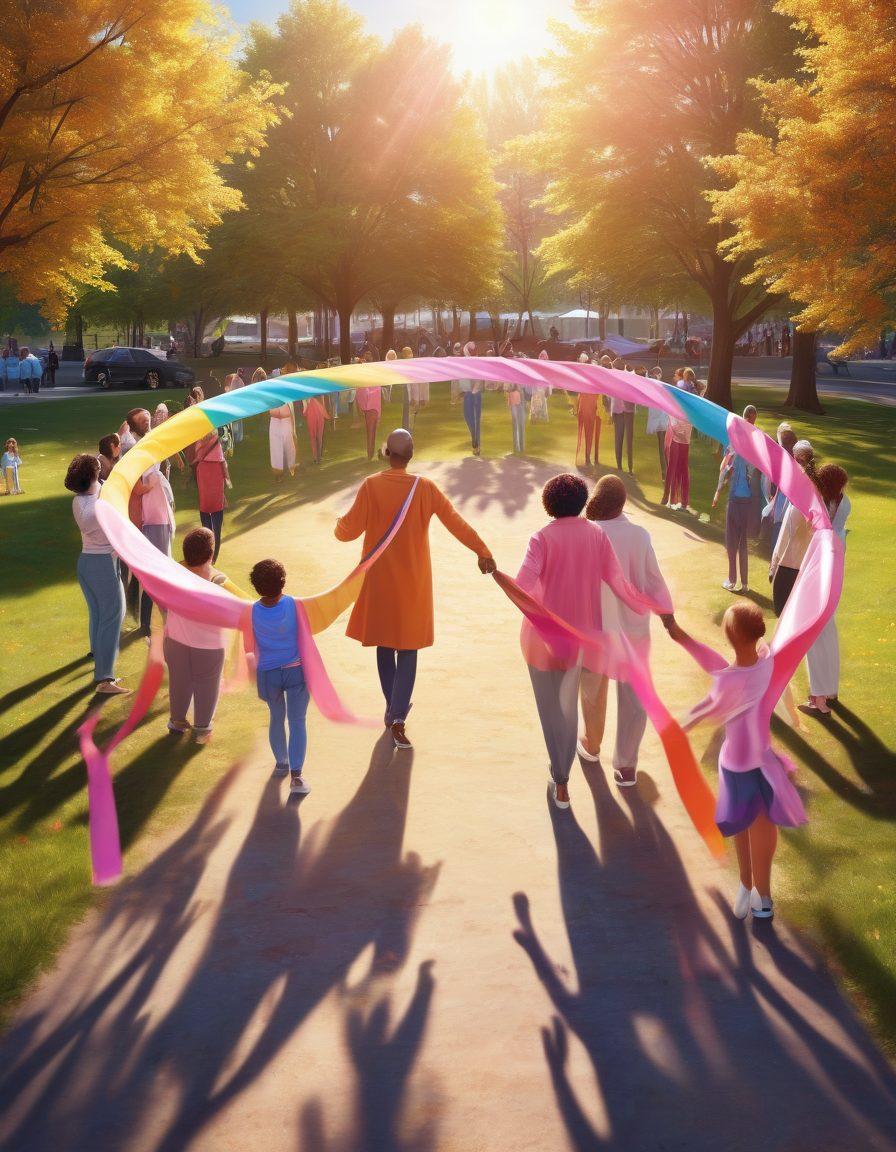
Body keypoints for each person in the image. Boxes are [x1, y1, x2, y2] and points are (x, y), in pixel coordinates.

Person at [515, 474, 671, 809]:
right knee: (606, 702)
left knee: (571, 703)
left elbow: (522, 588)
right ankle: (610, 763)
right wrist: (659, 609)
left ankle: (574, 767)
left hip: (569, 637)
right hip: (608, 637)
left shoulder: (547, 537)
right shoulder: (609, 535)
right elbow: (628, 584)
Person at [335, 429, 495, 749]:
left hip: (379, 581)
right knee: (407, 648)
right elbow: (456, 522)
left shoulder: (371, 486)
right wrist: (482, 551)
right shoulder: (425, 488)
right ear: (411, 455)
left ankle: (392, 711)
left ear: (386, 453)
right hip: (413, 583)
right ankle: (397, 717)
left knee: (384, 643)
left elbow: (346, 532)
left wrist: (338, 523)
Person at [668, 602, 807, 921]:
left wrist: (684, 721)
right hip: (761, 762)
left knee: (747, 828)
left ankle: (753, 888)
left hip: (737, 766)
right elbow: (716, 664)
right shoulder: (766, 662)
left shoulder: (728, 681)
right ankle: (757, 892)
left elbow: (710, 701)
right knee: (758, 827)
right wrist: (682, 637)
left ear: (730, 635)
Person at [579, 475, 671, 786]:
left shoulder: (588, 533)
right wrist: (667, 616)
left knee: (592, 690)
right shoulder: (640, 535)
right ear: (622, 503)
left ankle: (591, 745)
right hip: (634, 629)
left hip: (597, 628)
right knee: (634, 696)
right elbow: (654, 579)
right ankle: (626, 765)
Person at [65, 453, 129, 695]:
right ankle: (105, 678)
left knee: (100, 616)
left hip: (87, 564)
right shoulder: (98, 505)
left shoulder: (81, 500)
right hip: (102, 564)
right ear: (94, 475)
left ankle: (101, 665)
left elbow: (101, 490)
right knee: (112, 618)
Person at [248, 558, 310, 795]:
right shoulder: (294, 604)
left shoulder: (252, 609)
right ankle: (297, 777)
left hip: (268, 674)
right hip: (296, 672)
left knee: (276, 717)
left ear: (257, 587)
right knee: (297, 722)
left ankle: (281, 762)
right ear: (283, 583)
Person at [164, 527, 231, 744]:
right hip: (208, 645)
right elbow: (228, 612)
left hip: (175, 640)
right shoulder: (218, 580)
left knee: (179, 681)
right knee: (207, 683)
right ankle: (202, 729)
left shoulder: (172, 573)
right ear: (211, 554)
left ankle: (176, 722)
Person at [804, 464, 850, 713]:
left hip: (822, 574)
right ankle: (828, 690)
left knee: (816, 636)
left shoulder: (822, 509)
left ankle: (818, 698)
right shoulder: (843, 505)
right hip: (833, 575)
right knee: (827, 633)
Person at [769, 440, 819, 616]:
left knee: (783, 617)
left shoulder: (803, 501)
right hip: (801, 569)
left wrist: (774, 564)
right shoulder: (814, 497)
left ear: (797, 459)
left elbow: (785, 536)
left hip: (789, 568)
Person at [717, 405, 758, 592]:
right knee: (742, 543)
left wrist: (718, 491)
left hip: (735, 500)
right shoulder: (755, 447)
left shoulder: (732, 447)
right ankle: (745, 583)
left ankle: (732, 580)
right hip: (748, 501)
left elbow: (724, 471)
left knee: (731, 542)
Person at [138, 462, 175, 634]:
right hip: (157, 522)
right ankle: (160, 617)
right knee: (159, 573)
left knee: (155, 574)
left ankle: (148, 621)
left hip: (157, 522)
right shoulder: (151, 475)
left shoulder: (153, 475)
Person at [194, 429, 229, 561]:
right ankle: (213, 554)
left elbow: (196, 455)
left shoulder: (198, 435)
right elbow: (222, 460)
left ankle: (208, 551)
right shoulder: (216, 433)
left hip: (204, 470)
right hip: (215, 470)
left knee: (205, 508)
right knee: (216, 512)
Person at [762, 422, 797, 552]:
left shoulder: (783, 460)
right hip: (788, 508)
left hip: (784, 507)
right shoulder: (793, 461)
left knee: (778, 539)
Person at [267, 364, 297, 480]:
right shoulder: (271, 393)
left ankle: (291, 467)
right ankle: (278, 473)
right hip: (275, 420)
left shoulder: (287, 391)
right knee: (275, 446)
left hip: (285, 419)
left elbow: (291, 409)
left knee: (289, 444)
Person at [661, 396, 692, 510]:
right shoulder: (674, 408)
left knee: (683, 468)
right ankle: (667, 497)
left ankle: (683, 501)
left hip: (685, 438)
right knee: (672, 467)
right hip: (675, 437)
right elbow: (673, 423)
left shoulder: (690, 410)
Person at [458, 342, 484, 455]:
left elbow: (479, 377)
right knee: (468, 417)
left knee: (476, 419)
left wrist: (474, 389)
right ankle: (474, 438)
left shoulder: (476, 361)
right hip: (468, 393)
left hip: (475, 393)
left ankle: (476, 445)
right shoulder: (464, 362)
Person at [575, 352, 600, 468]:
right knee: (588, 434)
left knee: (587, 434)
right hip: (587, 410)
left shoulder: (584, 380)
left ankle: (587, 456)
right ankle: (587, 457)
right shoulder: (593, 382)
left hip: (587, 409)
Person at [645, 366, 669, 478]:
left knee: (664, 446)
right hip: (659, 420)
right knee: (663, 445)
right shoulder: (655, 386)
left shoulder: (660, 386)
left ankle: (666, 470)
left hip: (662, 419)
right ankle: (665, 470)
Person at [355, 381, 382, 461]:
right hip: (371, 407)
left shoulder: (367, 379)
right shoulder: (370, 380)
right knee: (371, 433)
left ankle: (370, 454)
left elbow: (359, 393)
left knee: (371, 432)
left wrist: (361, 406)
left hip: (370, 407)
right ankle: (370, 455)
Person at [506, 378, 526, 453]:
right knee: (515, 422)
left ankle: (522, 447)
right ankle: (516, 447)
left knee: (521, 422)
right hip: (513, 396)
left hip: (521, 396)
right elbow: (507, 388)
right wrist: (513, 387)